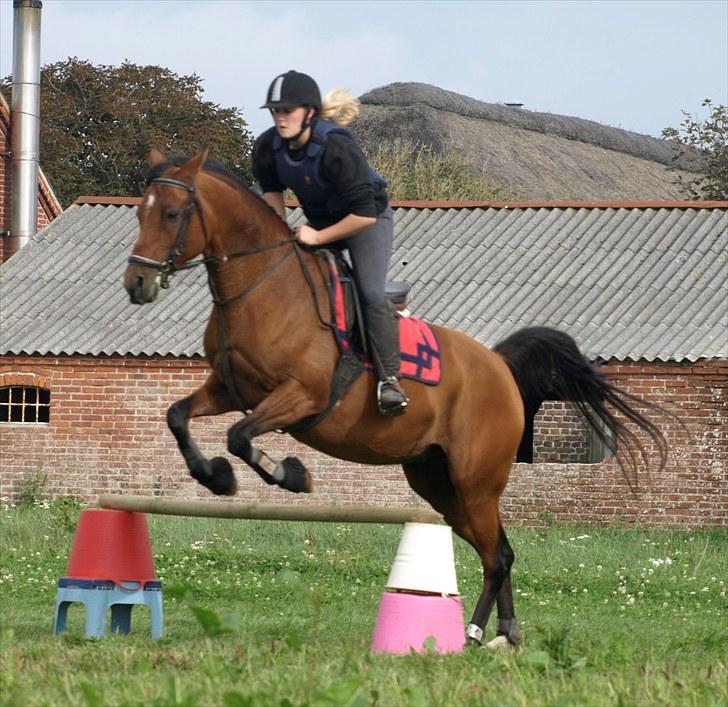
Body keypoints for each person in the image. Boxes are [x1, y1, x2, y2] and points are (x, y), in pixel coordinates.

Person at [252, 70, 409, 417]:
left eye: (287, 111)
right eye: (275, 111)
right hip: (322, 220)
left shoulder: (336, 146)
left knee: (369, 291)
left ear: (309, 112)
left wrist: (318, 237)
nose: (280, 119)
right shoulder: (267, 147)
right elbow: (273, 201)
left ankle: (390, 381)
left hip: (367, 219)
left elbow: (364, 215)